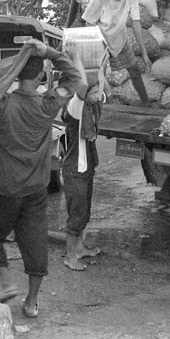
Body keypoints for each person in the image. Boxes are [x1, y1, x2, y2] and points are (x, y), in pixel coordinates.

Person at [0, 37, 80, 318]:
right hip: (36, 190)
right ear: (40, 75)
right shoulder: (48, 104)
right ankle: (31, 302)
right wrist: (51, 52)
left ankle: (7, 282)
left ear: (16, 74)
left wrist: (3, 76)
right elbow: (74, 76)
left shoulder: (1, 107)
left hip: (5, 189)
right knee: (35, 244)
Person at [82, 0, 152, 106]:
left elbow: (136, 22)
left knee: (134, 69)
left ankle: (146, 102)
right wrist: (96, 48)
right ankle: (99, 104)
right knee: (98, 77)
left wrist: (145, 54)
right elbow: (89, 23)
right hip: (102, 42)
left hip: (120, 39)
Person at [61, 56, 103, 271]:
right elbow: (84, 84)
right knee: (76, 214)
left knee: (84, 212)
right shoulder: (75, 108)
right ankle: (70, 256)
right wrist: (77, 55)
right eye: (94, 92)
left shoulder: (90, 106)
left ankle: (80, 248)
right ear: (83, 94)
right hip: (74, 169)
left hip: (86, 167)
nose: (98, 95)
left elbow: (95, 85)